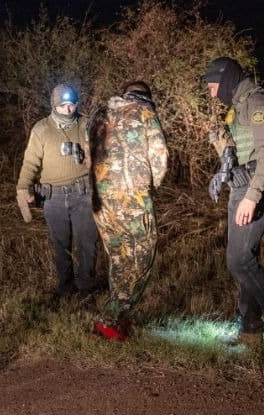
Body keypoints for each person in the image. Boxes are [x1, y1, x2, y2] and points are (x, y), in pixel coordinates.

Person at [202, 57, 264, 350]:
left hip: (256, 187)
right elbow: (237, 147)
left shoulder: (257, 103)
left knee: (239, 260)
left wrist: (252, 197)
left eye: (213, 86)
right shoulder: (238, 106)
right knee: (245, 259)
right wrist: (223, 171)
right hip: (240, 185)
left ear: (226, 79)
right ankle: (250, 331)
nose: (212, 93)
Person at [89, 81, 169, 340]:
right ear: (146, 97)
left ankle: (117, 323)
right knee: (143, 256)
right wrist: (151, 186)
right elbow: (160, 155)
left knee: (119, 258)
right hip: (132, 199)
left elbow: (88, 156)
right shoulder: (145, 112)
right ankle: (111, 318)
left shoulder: (100, 114)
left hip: (101, 202)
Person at [16, 84, 98, 302]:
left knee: (87, 243)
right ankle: (65, 287)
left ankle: (86, 288)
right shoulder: (41, 129)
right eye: (63, 105)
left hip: (83, 193)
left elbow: (102, 153)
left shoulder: (86, 124)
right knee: (60, 245)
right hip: (53, 197)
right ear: (54, 105)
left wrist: (90, 157)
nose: (69, 109)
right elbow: (30, 162)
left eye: (72, 104)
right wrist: (23, 187)